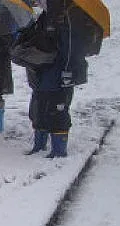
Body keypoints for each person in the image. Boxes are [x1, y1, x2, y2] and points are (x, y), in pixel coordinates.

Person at [25, 0, 96, 158]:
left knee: (58, 109)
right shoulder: (45, 15)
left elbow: (73, 46)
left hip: (61, 73)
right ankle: (39, 143)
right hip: (43, 72)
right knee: (39, 107)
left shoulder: (70, 14)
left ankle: (59, 149)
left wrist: (68, 71)